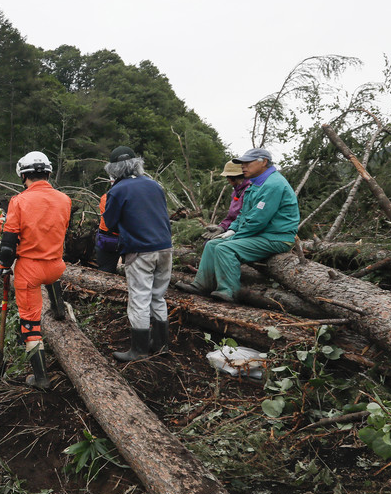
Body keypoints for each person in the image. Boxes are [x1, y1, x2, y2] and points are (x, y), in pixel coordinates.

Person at [179, 148, 298, 303]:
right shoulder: (256, 184)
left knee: (225, 248)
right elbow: (243, 213)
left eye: (248, 162)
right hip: (261, 235)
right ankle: (201, 285)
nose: (243, 166)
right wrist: (232, 228)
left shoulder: (273, 185)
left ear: (264, 162)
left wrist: (235, 236)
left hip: (276, 238)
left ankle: (228, 291)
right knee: (212, 245)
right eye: (242, 163)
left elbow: (258, 221)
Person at [0, 151, 71, 389]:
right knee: (50, 275)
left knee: (30, 323)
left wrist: (3, 266)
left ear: (24, 175)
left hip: (30, 271)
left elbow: (8, 244)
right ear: (48, 173)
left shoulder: (19, 201)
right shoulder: (65, 200)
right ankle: (59, 308)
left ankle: (40, 378)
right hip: (57, 266)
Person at [101, 146, 173, 361]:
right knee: (158, 296)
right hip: (165, 247)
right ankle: (161, 345)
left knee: (139, 299)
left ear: (113, 170)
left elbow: (110, 222)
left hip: (139, 250)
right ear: (137, 164)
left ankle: (139, 350)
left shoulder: (117, 190)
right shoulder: (155, 185)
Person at [94, 180, 121, 274]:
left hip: (107, 239)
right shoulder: (131, 198)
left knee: (106, 269)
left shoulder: (106, 197)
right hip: (115, 239)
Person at [218, 161, 249, 231]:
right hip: (233, 227)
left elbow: (245, 217)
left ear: (233, 177)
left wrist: (232, 230)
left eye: (227, 176)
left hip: (242, 230)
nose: (227, 179)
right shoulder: (236, 191)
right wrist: (221, 227)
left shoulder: (249, 190)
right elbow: (231, 217)